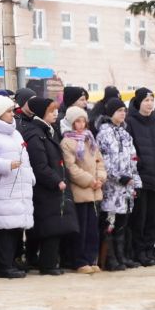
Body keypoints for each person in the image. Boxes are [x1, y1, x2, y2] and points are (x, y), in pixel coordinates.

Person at [19, 96, 76, 275]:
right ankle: (47, 264)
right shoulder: (36, 135)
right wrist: (56, 180)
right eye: (51, 111)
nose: (55, 114)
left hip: (52, 187)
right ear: (42, 113)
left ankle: (41, 261)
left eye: (56, 111)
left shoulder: (47, 131)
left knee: (51, 226)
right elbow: (39, 165)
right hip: (45, 189)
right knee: (51, 227)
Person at [0, 93, 34, 278]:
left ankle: (10, 262)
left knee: (14, 230)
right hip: (2, 189)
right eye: (9, 111)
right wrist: (6, 165)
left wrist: (30, 178)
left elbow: (25, 159)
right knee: (3, 229)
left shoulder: (15, 132)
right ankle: (1, 265)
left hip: (18, 188)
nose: (13, 114)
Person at [124, 89, 155, 266]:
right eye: (146, 100)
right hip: (140, 177)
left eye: (151, 100)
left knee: (153, 218)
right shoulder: (131, 122)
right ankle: (139, 252)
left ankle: (150, 250)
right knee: (139, 218)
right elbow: (130, 149)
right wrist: (140, 164)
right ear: (139, 102)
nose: (149, 103)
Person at [96, 98, 139, 270]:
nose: (122, 113)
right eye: (119, 110)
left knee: (122, 223)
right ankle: (110, 258)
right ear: (111, 113)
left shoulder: (125, 134)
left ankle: (121, 256)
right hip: (112, 186)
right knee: (110, 222)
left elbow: (133, 160)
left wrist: (135, 183)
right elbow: (103, 158)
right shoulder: (104, 133)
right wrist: (117, 176)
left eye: (124, 110)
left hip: (126, 187)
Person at [62, 104, 106, 272]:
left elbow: (99, 162)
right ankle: (80, 261)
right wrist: (89, 180)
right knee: (81, 227)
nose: (81, 125)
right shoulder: (67, 142)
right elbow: (71, 168)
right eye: (77, 122)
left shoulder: (90, 140)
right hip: (81, 191)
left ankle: (90, 258)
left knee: (93, 229)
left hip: (95, 190)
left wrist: (100, 178)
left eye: (83, 121)